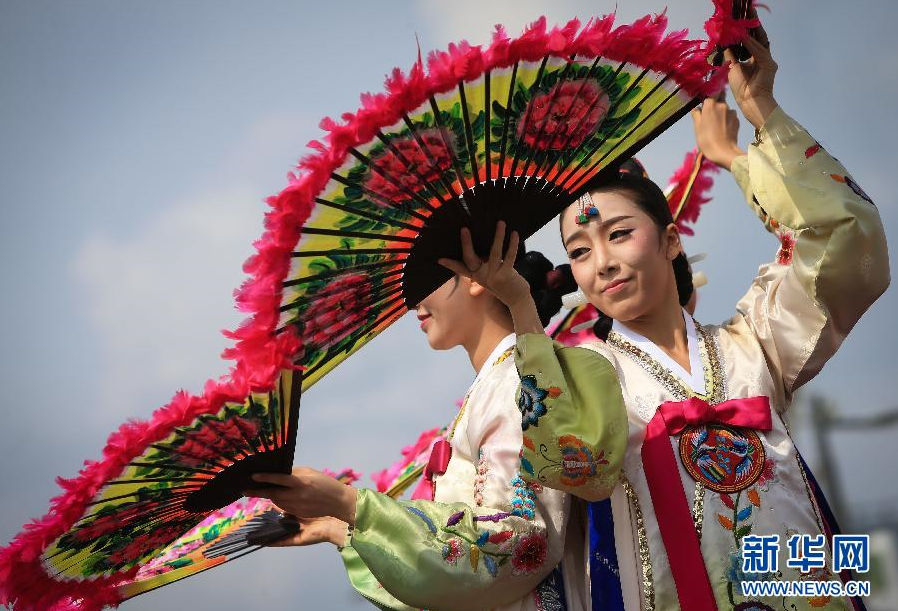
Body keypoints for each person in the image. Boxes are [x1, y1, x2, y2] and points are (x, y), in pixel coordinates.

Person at [440, 28, 890, 610]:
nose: (602, 263)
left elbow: (844, 240)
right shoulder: (580, 373)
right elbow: (568, 470)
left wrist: (757, 119)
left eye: (619, 233)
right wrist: (520, 306)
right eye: (579, 251)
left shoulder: (754, 343)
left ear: (671, 240)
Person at [245, 249, 627, 610]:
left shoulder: (513, 382)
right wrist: (338, 525)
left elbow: (518, 539)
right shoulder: (493, 385)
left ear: (473, 277)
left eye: (424, 279)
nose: (413, 302)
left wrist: (350, 504)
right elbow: (451, 573)